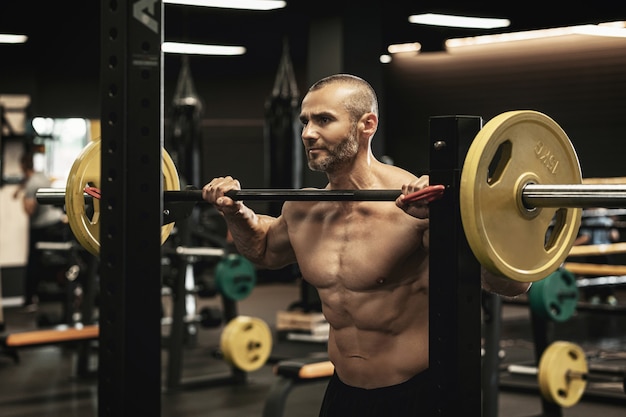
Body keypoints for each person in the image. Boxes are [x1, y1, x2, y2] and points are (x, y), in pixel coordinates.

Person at [202, 74, 530, 416]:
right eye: (305, 121)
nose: (308, 133)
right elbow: (265, 251)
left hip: (418, 395)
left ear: (367, 125)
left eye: (324, 120)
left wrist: (444, 224)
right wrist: (235, 213)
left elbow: (513, 284)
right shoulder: (302, 209)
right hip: (343, 393)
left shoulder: (414, 206)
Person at [14, 151, 68, 312]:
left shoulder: (31, 184)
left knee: (33, 262)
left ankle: (30, 300)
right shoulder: (42, 177)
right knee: (53, 258)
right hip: (57, 221)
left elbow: (29, 210)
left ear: (22, 166)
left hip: (41, 226)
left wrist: (23, 198)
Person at [573, 207, 620, 305]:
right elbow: (615, 236)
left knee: (592, 274)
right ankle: (609, 296)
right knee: (607, 274)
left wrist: (570, 245)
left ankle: (594, 296)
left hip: (593, 253)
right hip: (607, 252)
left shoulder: (590, 222)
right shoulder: (608, 221)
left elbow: (585, 238)